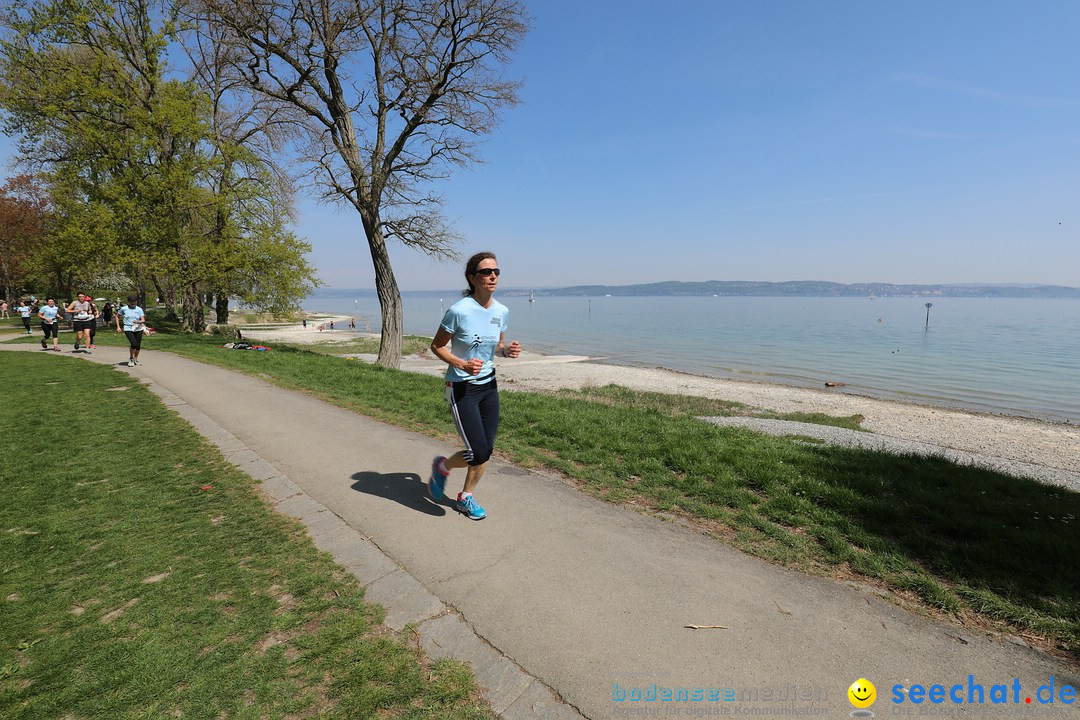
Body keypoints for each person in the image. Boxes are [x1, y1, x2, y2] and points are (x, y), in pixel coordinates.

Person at [428, 252, 521, 520]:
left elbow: (497, 348)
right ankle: (443, 467)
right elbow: (436, 346)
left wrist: (507, 351)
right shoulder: (459, 311)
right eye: (486, 272)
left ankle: (465, 497)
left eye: (496, 272)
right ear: (472, 278)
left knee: (486, 450)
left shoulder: (501, 311)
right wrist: (461, 364)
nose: (493, 276)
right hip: (462, 388)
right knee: (478, 451)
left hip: (489, 387)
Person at [115, 294, 146, 367]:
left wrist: (139, 322)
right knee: (134, 344)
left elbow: (143, 320)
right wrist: (118, 327)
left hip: (138, 328)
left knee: (138, 346)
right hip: (128, 328)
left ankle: (135, 359)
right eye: (131, 302)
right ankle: (131, 358)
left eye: (134, 302)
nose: (133, 303)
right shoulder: (124, 309)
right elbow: (117, 316)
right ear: (128, 302)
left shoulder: (139, 309)